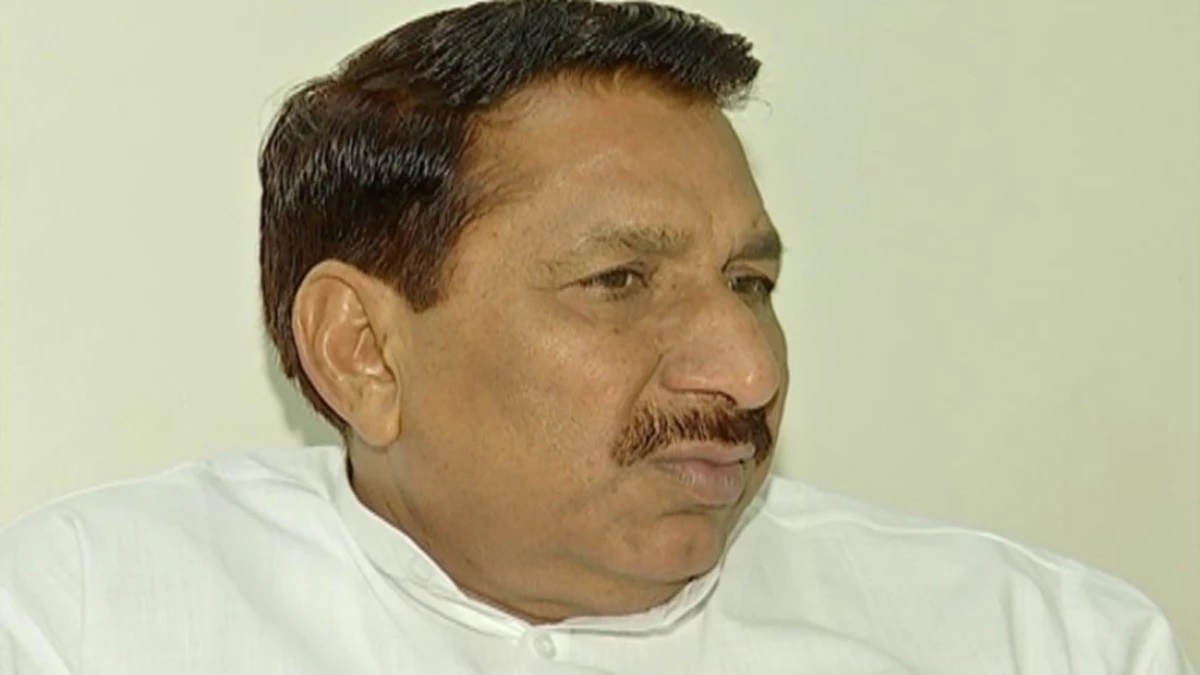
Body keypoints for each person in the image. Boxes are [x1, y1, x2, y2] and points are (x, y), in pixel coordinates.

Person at [0, 0, 1193, 672]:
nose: (749, 371)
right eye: (621, 281)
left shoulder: (1041, 646)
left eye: (751, 282)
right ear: (362, 350)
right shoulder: (85, 624)